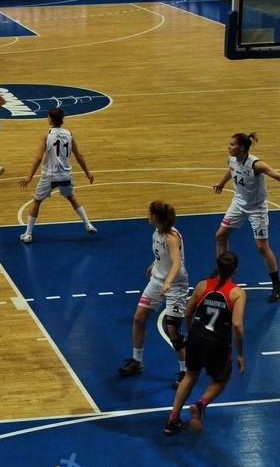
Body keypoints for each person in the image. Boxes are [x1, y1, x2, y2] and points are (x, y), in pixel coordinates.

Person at [164, 252, 245, 435]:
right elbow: (238, 326)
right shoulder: (237, 293)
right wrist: (240, 354)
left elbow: (186, 313)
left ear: (217, 267)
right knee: (222, 379)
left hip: (196, 338)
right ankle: (200, 405)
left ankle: (173, 419)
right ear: (235, 271)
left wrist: (191, 330)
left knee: (190, 376)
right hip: (218, 343)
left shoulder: (202, 285)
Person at [119, 200, 189, 387]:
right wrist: (154, 265)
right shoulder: (157, 233)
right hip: (157, 281)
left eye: (149, 213)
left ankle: (185, 370)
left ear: (155, 216)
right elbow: (162, 256)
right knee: (139, 317)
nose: (147, 215)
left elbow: (177, 263)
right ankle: (137, 360)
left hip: (175, 284)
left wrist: (167, 282)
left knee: (172, 329)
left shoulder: (171, 237)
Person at [213, 132, 280, 302]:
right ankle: (222, 274)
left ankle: (276, 284)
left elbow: (276, 175)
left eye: (232, 145)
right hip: (238, 204)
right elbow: (231, 170)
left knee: (261, 247)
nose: (229, 147)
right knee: (220, 236)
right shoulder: (233, 160)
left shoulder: (256, 165)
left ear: (241, 147)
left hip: (256, 208)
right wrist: (222, 183)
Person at [18, 107, 96, 242]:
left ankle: (28, 234)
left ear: (51, 119)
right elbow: (79, 156)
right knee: (71, 197)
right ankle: (88, 224)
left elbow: (38, 158)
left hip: (50, 175)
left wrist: (29, 176)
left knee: (36, 201)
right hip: (65, 175)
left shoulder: (47, 135)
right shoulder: (69, 134)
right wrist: (87, 172)